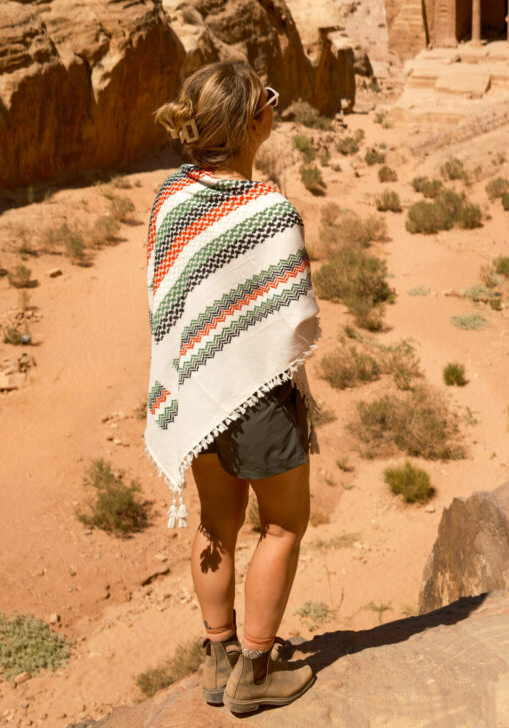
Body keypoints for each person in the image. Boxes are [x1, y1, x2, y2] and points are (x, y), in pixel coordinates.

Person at [145, 61, 321, 713]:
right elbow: (294, 317)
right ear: (255, 123)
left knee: (216, 523)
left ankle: (217, 657)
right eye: (267, 99)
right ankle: (256, 670)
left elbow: (169, 304)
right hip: (260, 396)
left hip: (200, 393)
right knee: (283, 525)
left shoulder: (170, 198)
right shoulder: (269, 211)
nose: (273, 105)